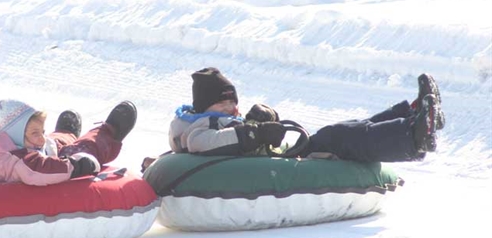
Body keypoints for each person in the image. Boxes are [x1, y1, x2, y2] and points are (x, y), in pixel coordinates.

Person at [165, 67, 444, 163]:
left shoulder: (218, 119)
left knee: (347, 128)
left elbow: (247, 132)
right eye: (222, 103)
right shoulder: (195, 129)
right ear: (204, 106)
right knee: (340, 137)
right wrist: (253, 133)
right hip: (287, 161)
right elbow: (206, 144)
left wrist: (265, 118)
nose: (230, 107)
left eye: (232, 102)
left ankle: (412, 114)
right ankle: (413, 136)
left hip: (284, 153)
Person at [0, 99, 137, 186]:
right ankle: (108, 132)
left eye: (41, 130)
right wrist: (75, 166)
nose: (40, 136)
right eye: (34, 132)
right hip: (55, 160)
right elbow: (41, 170)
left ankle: (65, 133)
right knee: (83, 150)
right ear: (15, 134)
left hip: (43, 150)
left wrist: (39, 136)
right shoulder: (18, 158)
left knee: (51, 141)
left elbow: (39, 143)